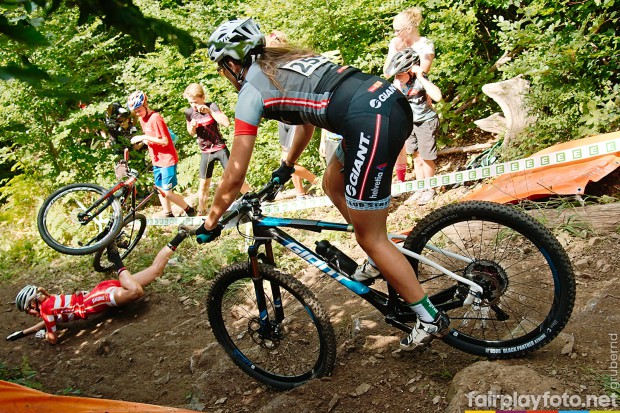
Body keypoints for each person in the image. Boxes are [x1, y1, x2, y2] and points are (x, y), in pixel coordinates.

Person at [194, 18, 449, 351]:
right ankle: (378, 257)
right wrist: (286, 167)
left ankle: (428, 317)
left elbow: (235, 173)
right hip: (385, 103)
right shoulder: (282, 62)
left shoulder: (252, 89)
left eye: (220, 68)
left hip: (368, 122)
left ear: (231, 62)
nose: (223, 76)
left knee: (370, 236)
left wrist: (211, 221)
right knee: (332, 181)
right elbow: (307, 123)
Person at [6, 228, 190, 345]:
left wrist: (44, 336)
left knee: (135, 292)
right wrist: (23, 333)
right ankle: (179, 236)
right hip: (99, 292)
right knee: (154, 271)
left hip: (96, 299)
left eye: (27, 310)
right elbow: (48, 322)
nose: (29, 314)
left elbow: (53, 339)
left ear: (33, 304)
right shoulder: (49, 305)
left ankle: (115, 257)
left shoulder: (46, 310)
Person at [384, 7, 436, 204]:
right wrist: (393, 49)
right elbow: (388, 72)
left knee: (425, 151)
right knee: (412, 150)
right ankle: (419, 186)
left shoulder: (424, 44)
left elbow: (423, 69)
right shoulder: (396, 44)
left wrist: (407, 58)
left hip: (418, 100)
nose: (396, 34)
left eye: (398, 30)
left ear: (409, 27)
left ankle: (429, 187)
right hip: (400, 102)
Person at [183, 83, 251, 215]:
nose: (194, 106)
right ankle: (201, 211)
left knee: (235, 177)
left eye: (196, 102)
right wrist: (192, 126)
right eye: (191, 103)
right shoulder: (189, 112)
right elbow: (190, 133)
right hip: (205, 152)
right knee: (203, 184)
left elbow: (226, 123)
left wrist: (210, 112)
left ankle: (254, 197)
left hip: (220, 149)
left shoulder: (211, 106)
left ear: (203, 97)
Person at [266, 30, 319, 199]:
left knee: (288, 161)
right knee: (288, 160)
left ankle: (318, 182)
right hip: (283, 118)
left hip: (295, 115)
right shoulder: (270, 68)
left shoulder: (291, 63)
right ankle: (300, 193)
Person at [127, 91, 196, 218]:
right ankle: (168, 214)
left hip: (167, 159)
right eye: (135, 111)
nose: (137, 113)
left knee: (167, 192)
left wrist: (143, 136)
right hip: (157, 160)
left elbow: (164, 141)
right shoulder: (143, 119)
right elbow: (153, 137)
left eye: (139, 110)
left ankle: (189, 210)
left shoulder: (155, 118)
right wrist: (143, 142)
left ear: (145, 104)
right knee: (159, 189)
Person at [389, 49, 442, 206]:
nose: (397, 78)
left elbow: (437, 96)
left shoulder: (420, 80)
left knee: (427, 157)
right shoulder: (398, 82)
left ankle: (430, 188)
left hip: (426, 121)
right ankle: (420, 188)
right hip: (410, 122)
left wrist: (421, 75)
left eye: (400, 74)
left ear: (410, 70)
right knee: (416, 157)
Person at [278, 123, 319, 199]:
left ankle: (318, 182)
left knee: (286, 163)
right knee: (290, 162)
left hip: (293, 122)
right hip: (281, 121)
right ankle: (300, 193)